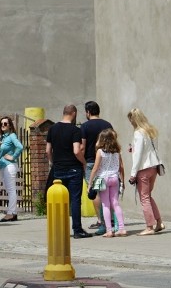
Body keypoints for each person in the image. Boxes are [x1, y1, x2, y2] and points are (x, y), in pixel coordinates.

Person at [46, 105, 93, 239]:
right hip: (73, 169)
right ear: (73, 113)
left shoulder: (52, 129)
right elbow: (76, 151)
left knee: (60, 200)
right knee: (75, 200)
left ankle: (59, 230)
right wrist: (83, 162)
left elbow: (48, 150)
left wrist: (52, 162)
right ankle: (77, 230)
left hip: (58, 169)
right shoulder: (75, 130)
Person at [127, 108, 164, 236]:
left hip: (143, 168)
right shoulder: (151, 131)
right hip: (154, 166)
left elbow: (138, 155)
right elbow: (153, 150)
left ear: (134, 120)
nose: (131, 123)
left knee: (144, 198)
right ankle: (159, 222)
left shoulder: (138, 133)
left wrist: (133, 174)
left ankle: (149, 227)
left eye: (131, 120)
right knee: (148, 196)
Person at [81, 101, 114, 234]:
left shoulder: (84, 126)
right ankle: (110, 219)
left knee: (95, 192)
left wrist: (82, 162)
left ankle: (101, 220)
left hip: (90, 162)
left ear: (88, 112)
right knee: (108, 192)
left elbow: (82, 146)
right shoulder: (107, 125)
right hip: (107, 161)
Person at [87, 129, 126, 237]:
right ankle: (122, 228)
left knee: (105, 205)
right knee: (116, 204)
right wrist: (122, 181)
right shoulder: (117, 152)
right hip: (114, 178)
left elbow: (95, 168)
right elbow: (121, 167)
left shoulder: (100, 152)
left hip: (103, 178)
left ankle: (109, 230)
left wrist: (90, 183)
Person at [0, 117, 23, 222]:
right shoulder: (3, 138)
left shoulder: (12, 136)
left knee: (11, 189)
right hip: (3, 166)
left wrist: (13, 157)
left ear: (10, 125)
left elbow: (20, 147)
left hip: (9, 165)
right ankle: (14, 213)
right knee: (9, 189)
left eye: (5, 123)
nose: (3, 125)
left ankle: (10, 213)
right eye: (1, 124)